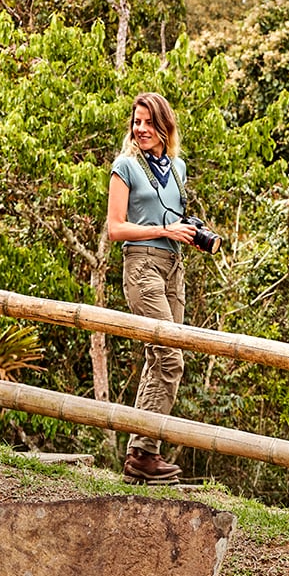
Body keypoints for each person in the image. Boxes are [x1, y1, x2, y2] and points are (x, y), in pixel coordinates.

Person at [103, 92, 201, 483]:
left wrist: (193, 234)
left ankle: (141, 456)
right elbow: (115, 228)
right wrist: (164, 229)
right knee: (169, 356)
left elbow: (174, 217)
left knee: (161, 359)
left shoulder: (177, 167)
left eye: (147, 122)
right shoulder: (124, 166)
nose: (139, 129)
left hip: (173, 266)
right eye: (136, 122)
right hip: (141, 263)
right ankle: (144, 453)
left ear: (164, 127)